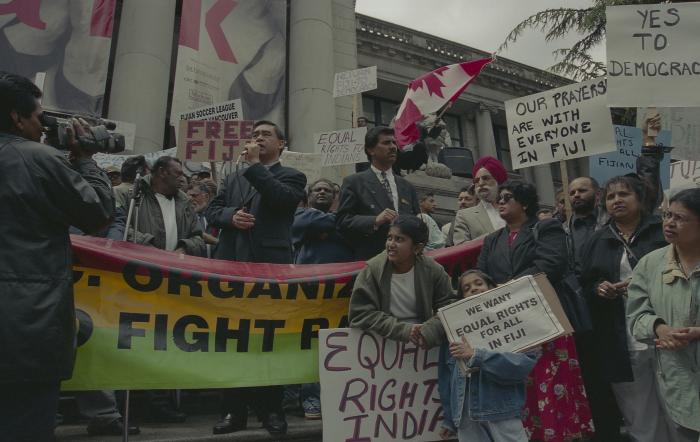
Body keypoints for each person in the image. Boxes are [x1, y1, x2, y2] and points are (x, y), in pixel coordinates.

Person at [0, 72, 113, 441]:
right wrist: (84, 161)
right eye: (38, 117)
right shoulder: (39, 160)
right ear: (17, 117)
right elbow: (97, 215)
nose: (40, 126)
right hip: (25, 330)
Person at [206, 120, 306, 436]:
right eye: (254, 135)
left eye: (265, 135)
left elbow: (281, 200)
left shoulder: (292, 175)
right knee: (233, 340)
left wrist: (253, 167)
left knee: (268, 340)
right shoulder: (233, 177)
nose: (258, 139)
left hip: (269, 268)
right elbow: (213, 210)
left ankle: (271, 410)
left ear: (281, 144)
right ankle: (233, 411)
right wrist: (230, 218)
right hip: (232, 265)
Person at [476, 181, 593, 441]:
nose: (501, 202)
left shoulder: (546, 227)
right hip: (509, 326)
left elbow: (550, 264)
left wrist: (508, 288)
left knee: (550, 385)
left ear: (525, 203)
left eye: (508, 198)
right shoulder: (492, 240)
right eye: (500, 199)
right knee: (522, 385)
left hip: (544, 321)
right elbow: (481, 273)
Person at [579, 175, 671, 442]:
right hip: (621, 338)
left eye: (624, 194)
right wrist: (599, 288)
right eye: (610, 196)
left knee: (678, 406)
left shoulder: (663, 230)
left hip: (666, 330)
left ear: (640, 199)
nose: (617, 200)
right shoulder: (596, 240)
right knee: (638, 411)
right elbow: (585, 283)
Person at [627, 188, 700, 442]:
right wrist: (660, 329)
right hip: (677, 380)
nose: (669, 223)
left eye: (680, 218)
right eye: (667, 215)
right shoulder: (650, 264)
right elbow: (636, 316)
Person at [438, 270, 539, 442]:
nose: (474, 289)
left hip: (500, 410)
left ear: (491, 287)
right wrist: (449, 419)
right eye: (466, 288)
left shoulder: (515, 323)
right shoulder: (453, 332)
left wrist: (476, 355)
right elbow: (447, 380)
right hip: (465, 417)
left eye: (479, 283)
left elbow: (522, 367)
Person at [348, 215, 456, 348]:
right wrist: (403, 330)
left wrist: (429, 331)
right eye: (389, 238)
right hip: (381, 346)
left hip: (422, 345)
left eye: (399, 239)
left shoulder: (433, 270)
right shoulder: (372, 270)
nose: (391, 244)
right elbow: (359, 314)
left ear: (417, 248)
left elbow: (450, 308)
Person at [337, 126, 420, 260]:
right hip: (371, 260)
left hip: (405, 261)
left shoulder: (407, 186)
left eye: (394, 143)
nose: (393, 147)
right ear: (371, 150)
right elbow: (342, 221)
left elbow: (416, 221)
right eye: (386, 143)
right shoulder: (354, 182)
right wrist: (374, 221)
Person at [127, 156, 205, 257]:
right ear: (162, 172)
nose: (182, 179)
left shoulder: (185, 202)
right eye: (178, 174)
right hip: (141, 265)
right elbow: (123, 229)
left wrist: (183, 249)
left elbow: (198, 238)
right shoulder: (134, 195)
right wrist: (149, 248)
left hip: (175, 268)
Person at [292, 178, 354, 265]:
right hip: (309, 272)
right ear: (309, 196)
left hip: (342, 272)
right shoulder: (299, 214)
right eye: (317, 190)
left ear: (333, 198)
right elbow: (307, 223)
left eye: (327, 190)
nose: (322, 192)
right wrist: (341, 222)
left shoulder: (341, 216)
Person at [449, 156, 508, 246]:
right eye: (476, 180)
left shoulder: (516, 209)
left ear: (498, 180)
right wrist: (492, 238)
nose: (480, 183)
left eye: (486, 178)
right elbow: (461, 249)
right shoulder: (464, 216)